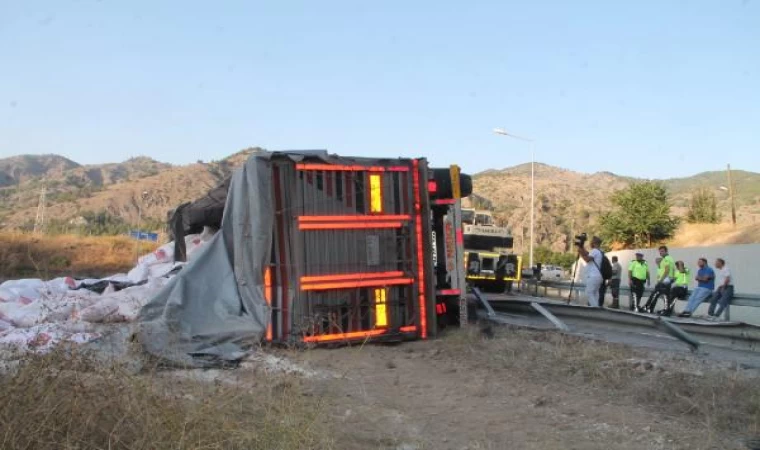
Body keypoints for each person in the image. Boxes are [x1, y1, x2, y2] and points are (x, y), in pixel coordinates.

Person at [577, 236, 603, 308]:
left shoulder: (595, 251)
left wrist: (580, 253)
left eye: (591, 242)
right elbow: (587, 253)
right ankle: (596, 307)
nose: (590, 243)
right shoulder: (599, 252)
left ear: (594, 243)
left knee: (589, 292)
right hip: (598, 276)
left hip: (593, 276)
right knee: (595, 294)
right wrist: (582, 248)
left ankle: (595, 309)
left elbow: (587, 259)